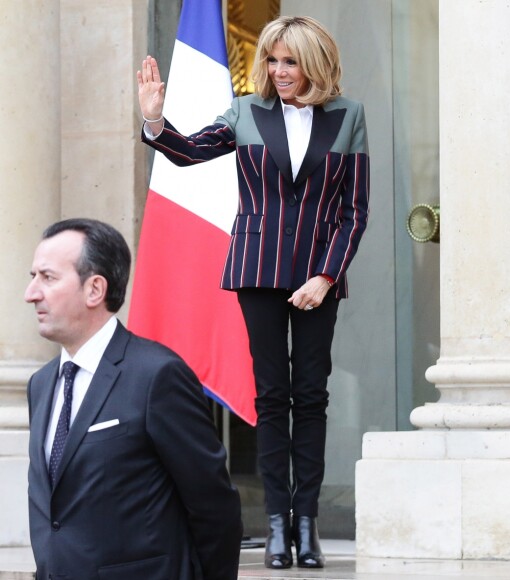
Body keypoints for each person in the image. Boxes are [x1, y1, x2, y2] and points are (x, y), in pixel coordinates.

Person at [138, 15, 370, 570]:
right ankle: (275, 528)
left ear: (313, 62)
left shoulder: (348, 115)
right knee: (271, 398)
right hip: (257, 270)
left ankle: (307, 526)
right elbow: (189, 151)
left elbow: (354, 211)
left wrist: (326, 276)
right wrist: (153, 121)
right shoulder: (245, 112)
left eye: (289, 61)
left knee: (311, 396)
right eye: (272, 60)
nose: (279, 71)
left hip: (318, 276)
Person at [25, 218, 243, 580]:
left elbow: (213, 506)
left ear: (95, 289)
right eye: (33, 277)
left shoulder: (157, 375)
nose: (31, 293)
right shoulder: (41, 384)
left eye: (47, 278)